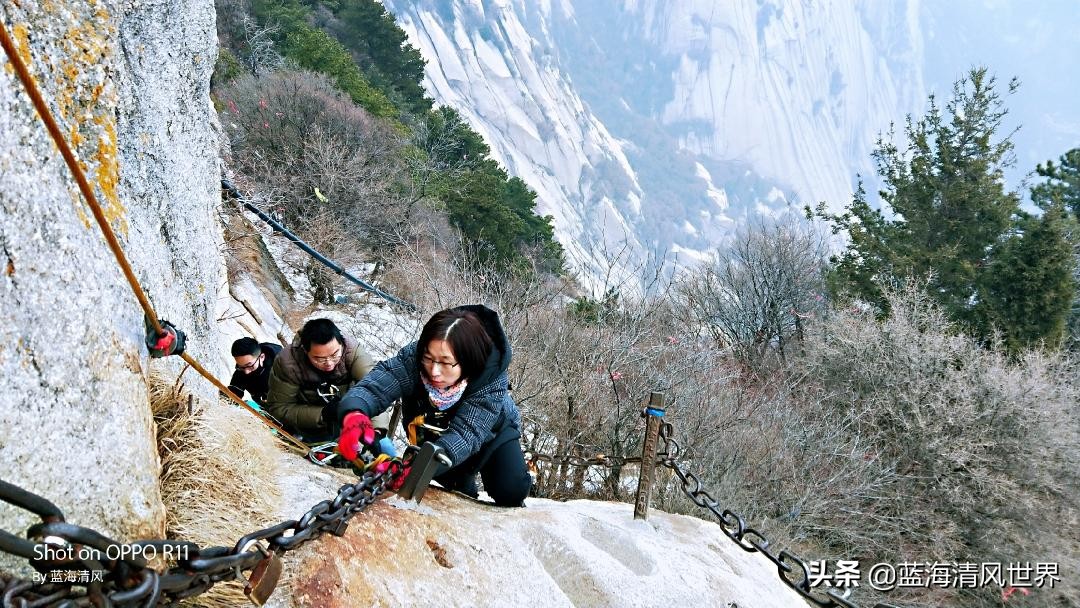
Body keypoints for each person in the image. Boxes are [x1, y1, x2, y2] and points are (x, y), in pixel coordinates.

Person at [334, 305, 531, 507]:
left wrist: (417, 469)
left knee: (511, 489)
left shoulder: (490, 378)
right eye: (428, 359)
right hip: (433, 425)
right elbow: (377, 385)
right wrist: (354, 412)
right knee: (451, 479)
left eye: (446, 363)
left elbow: (466, 434)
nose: (434, 371)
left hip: (493, 431)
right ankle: (462, 483)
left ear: (468, 360)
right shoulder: (414, 358)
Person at [266, 318, 391, 446]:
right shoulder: (288, 363)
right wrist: (322, 414)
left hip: (349, 415)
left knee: (381, 445)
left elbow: (375, 390)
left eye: (335, 355)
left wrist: (376, 430)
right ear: (305, 351)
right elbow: (279, 408)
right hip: (310, 427)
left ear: (341, 344)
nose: (329, 363)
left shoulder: (352, 352)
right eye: (320, 359)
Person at [227, 337, 281, 407]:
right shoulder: (241, 372)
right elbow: (231, 397)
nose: (246, 372)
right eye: (241, 366)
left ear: (262, 357)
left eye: (249, 365)